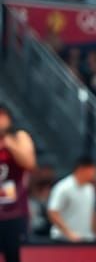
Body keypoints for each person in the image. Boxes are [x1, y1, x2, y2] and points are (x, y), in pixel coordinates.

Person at [0, 105, 36, 262]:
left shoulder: (19, 137)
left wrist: (9, 143)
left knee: (13, 257)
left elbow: (29, 163)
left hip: (13, 213)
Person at [47, 156, 96, 243]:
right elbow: (53, 212)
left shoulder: (90, 189)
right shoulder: (63, 187)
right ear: (82, 169)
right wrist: (69, 233)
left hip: (85, 238)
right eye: (93, 170)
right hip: (64, 239)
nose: (95, 174)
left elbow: (91, 212)